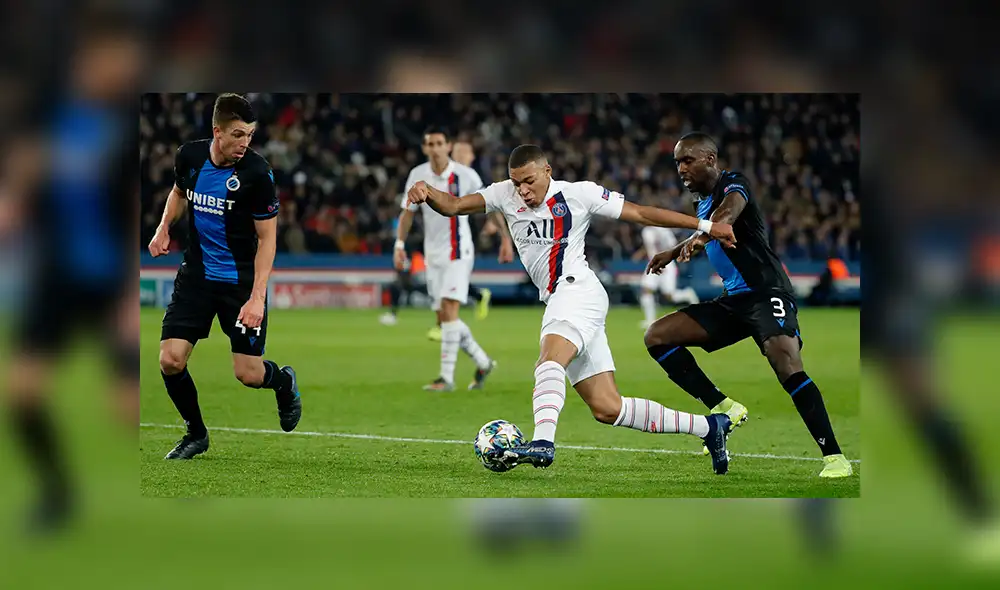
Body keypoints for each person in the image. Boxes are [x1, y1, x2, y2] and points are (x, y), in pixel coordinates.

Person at [407, 143, 738, 474]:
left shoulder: (579, 195)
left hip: (576, 289)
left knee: (549, 357)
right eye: (516, 182)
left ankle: (543, 441)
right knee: (608, 408)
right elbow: (453, 205)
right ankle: (710, 428)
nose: (522, 190)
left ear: (547, 171)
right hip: (562, 297)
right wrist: (427, 191)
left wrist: (706, 227)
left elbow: (639, 212)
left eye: (529, 181)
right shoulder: (503, 194)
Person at [644, 132, 852, 477]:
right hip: (734, 301)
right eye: (677, 162)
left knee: (785, 364)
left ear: (710, 159)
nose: (680, 169)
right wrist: (673, 250)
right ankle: (724, 407)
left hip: (767, 292)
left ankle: (835, 458)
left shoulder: (734, 184)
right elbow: (710, 223)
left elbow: (726, 216)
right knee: (657, 335)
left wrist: (700, 237)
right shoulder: (701, 203)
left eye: (687, 160)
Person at [148, 93, 302, 460]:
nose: (244, 143)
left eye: (249, 135)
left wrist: (257, 297)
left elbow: (267, 239)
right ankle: (196, 434)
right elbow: (177, 192)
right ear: (217, 131)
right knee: (170, 360)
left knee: (248, 374)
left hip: (240, 282)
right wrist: (163, 226)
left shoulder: (257, 174)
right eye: (237, 135)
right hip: (197, 275)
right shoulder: (189, 156)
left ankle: (284, 382)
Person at [394, 127, 514, 391]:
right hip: (432, 254)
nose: (435, 148)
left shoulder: (465, 175)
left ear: (448, 146)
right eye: (430, 144)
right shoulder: (417, 175)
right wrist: (399, 244)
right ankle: (483, 362)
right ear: (425, 148)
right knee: (444, 318)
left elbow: (489, 204)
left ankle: (445, 379)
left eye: (439, 143)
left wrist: (505, 238)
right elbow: (408, 213)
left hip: (458, 252)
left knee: (449, 311)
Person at [633, 225, 700, 329]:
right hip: (653, 263)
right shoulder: (646, 231)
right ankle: (650, 320)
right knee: (646, 290)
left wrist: (665, 262)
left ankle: (688, 294)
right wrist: (641, 254)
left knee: (669, 296)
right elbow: (649, 247)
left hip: (667, 265)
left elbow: (673, 246)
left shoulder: (665, 231)